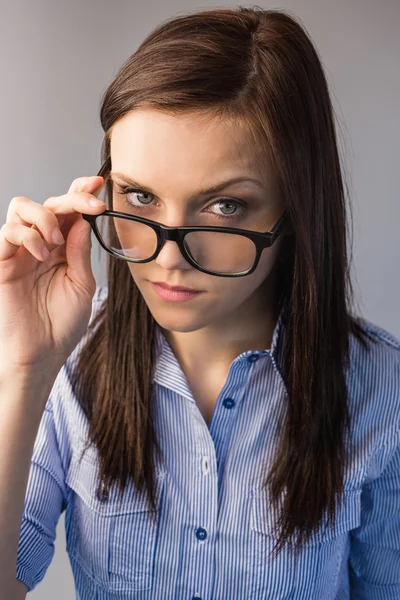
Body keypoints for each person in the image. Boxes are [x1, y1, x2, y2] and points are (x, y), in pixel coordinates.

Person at [0, 6, 399, 600]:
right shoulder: (70, 366)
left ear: (296, 209)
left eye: (225, 207)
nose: (168, 257)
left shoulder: (381, 389)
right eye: (139, 196)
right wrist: (25, 368)